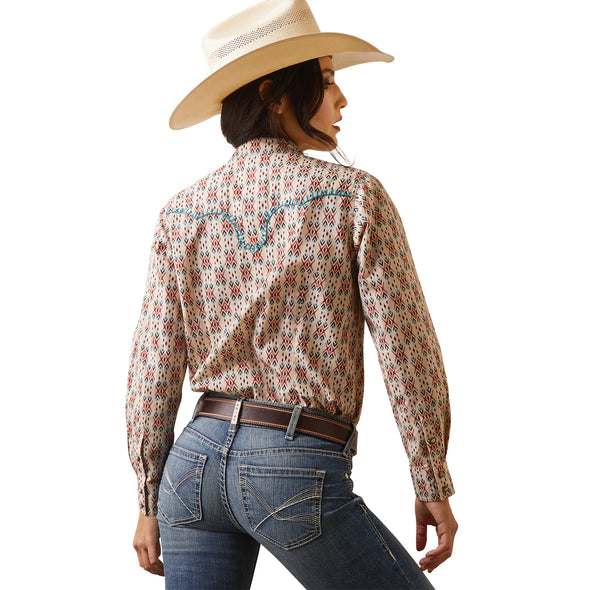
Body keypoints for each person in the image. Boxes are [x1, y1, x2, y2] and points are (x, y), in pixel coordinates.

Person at [127, 0, 458, 588]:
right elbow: (406, 348)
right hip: (292, 466)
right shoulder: (352, 198)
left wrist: (149, 497)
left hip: (191, 470)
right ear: (274, 94)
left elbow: (153, 364)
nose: (342, 99)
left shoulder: (181, 213)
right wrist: (430, 476)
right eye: (326, 80)